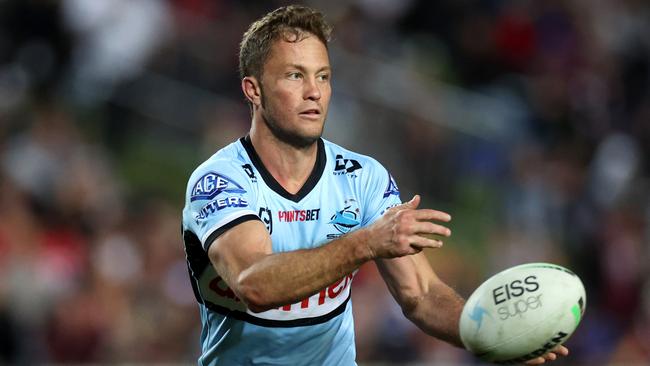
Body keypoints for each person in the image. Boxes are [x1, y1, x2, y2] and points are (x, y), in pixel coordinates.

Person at [181, 5, 568, 365]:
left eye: (323, 76)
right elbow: (255, 286)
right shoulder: (219, 181)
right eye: (295, 75)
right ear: (254, 90)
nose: (314, 91)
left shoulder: (363, 178)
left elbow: (421, 295)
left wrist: (492, 335)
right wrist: (365, 242)